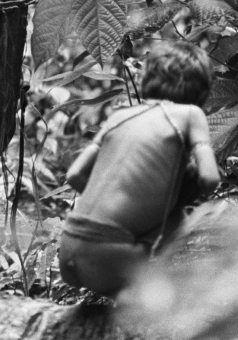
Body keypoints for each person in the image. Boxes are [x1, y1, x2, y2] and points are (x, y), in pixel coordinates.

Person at [58, 41, 222, 297]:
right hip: (110, 261)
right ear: (201, 90)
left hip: (67, 250)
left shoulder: (119, 116)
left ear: (147, 79)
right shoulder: (190, 114)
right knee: (183, 214)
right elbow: (210, 179)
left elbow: (75, 176)